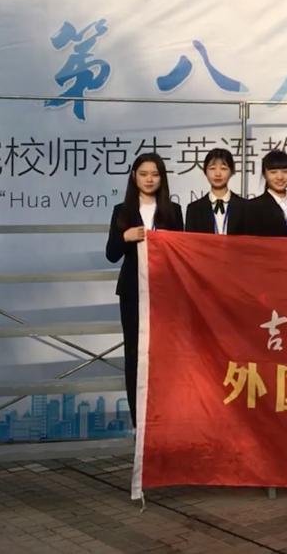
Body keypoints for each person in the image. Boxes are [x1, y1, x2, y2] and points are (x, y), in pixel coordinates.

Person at [105, 153, 185, 428]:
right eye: (143, 174)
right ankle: (138, 422)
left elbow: (182, 254)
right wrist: (124, 237)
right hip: (132, 292)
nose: (149, 179)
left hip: (165, 295)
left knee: (165, 355)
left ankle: (164, 418)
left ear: (162, 178)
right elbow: (111, 254)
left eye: (155, 174)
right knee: (134, 355)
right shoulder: (122, 211)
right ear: (134, 177)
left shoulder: (174, 211)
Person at [185, 148, 247, 235]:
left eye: (223, 168)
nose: (218, 174)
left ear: (232, 171)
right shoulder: (194, 209)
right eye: (212, 168)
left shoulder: (245, 207)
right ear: (205, 171)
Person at [245, 149, 287, 237]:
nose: (280, 177)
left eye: (285, 171)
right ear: (264, 174)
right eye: (273, 172)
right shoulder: (252, 208)